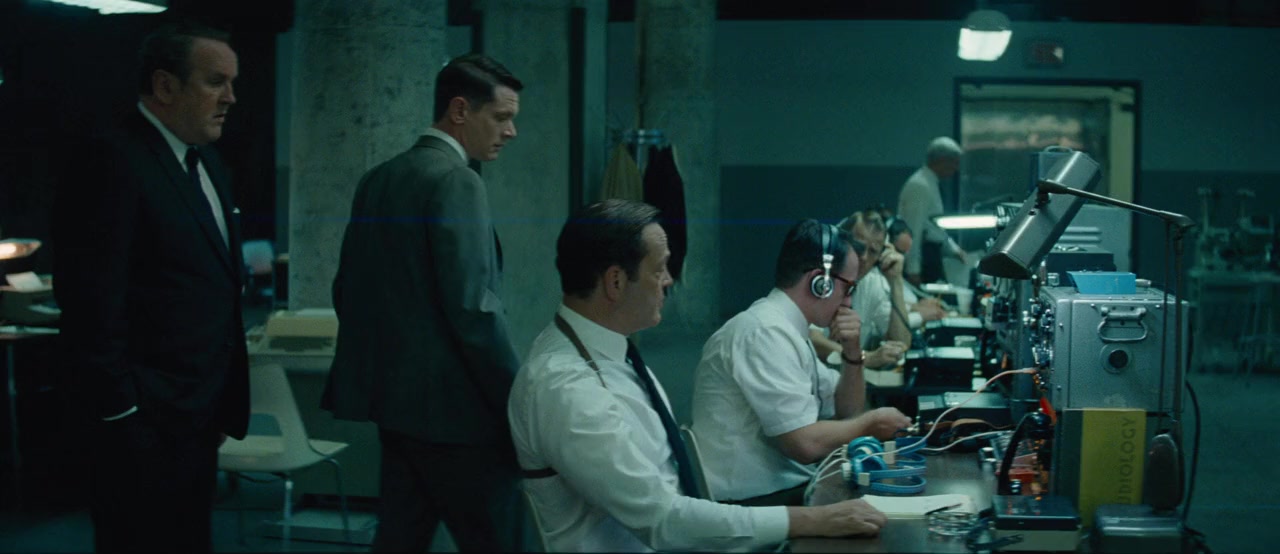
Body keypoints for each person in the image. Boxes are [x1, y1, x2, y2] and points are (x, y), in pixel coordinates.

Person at [510, 200, 890, 552]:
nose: (669, 280)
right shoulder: (565, 387)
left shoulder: (609, 353)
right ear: (616, 282)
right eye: (659, 269)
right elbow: (662, 520)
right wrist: (811, 520)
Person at [53, 20, 245, 552]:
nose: (231, 98)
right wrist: (122, 415)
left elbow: (207, 286)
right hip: (139, 425)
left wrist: (219, 402)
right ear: (165, 86)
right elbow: (92, 303)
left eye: (233, 83)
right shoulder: (111, 159)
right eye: (215, 82)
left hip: (197, 417)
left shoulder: (207, 162)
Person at [321, 53, 524, 552]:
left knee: (400, 540)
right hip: (457, 418)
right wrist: (519, 398)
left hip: (396, 410)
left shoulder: (379, 178)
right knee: (499, 541)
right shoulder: (457, 180)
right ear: (460, 110)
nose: (511, 131)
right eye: (501, 117)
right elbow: (474, 311)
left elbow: (346, 290)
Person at [690, 219, 912, 505]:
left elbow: (848, 409)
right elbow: (803, 444)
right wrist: (871, 423)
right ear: (820, 283)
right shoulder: (764, 333)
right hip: (749, 502)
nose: (848, 303)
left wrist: (852, 352)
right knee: (876, 511)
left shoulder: (790, 331)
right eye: (848, 289)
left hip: (780, 489)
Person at [897, 136, 968, 286]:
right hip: (924, 257)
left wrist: (954, 249)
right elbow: (914, 229)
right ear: (941, 160)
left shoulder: (931, 183)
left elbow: (934, 226)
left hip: (932, 254)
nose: (956, 168)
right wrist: (913, 269)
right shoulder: (920, 185)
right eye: (954, 162)